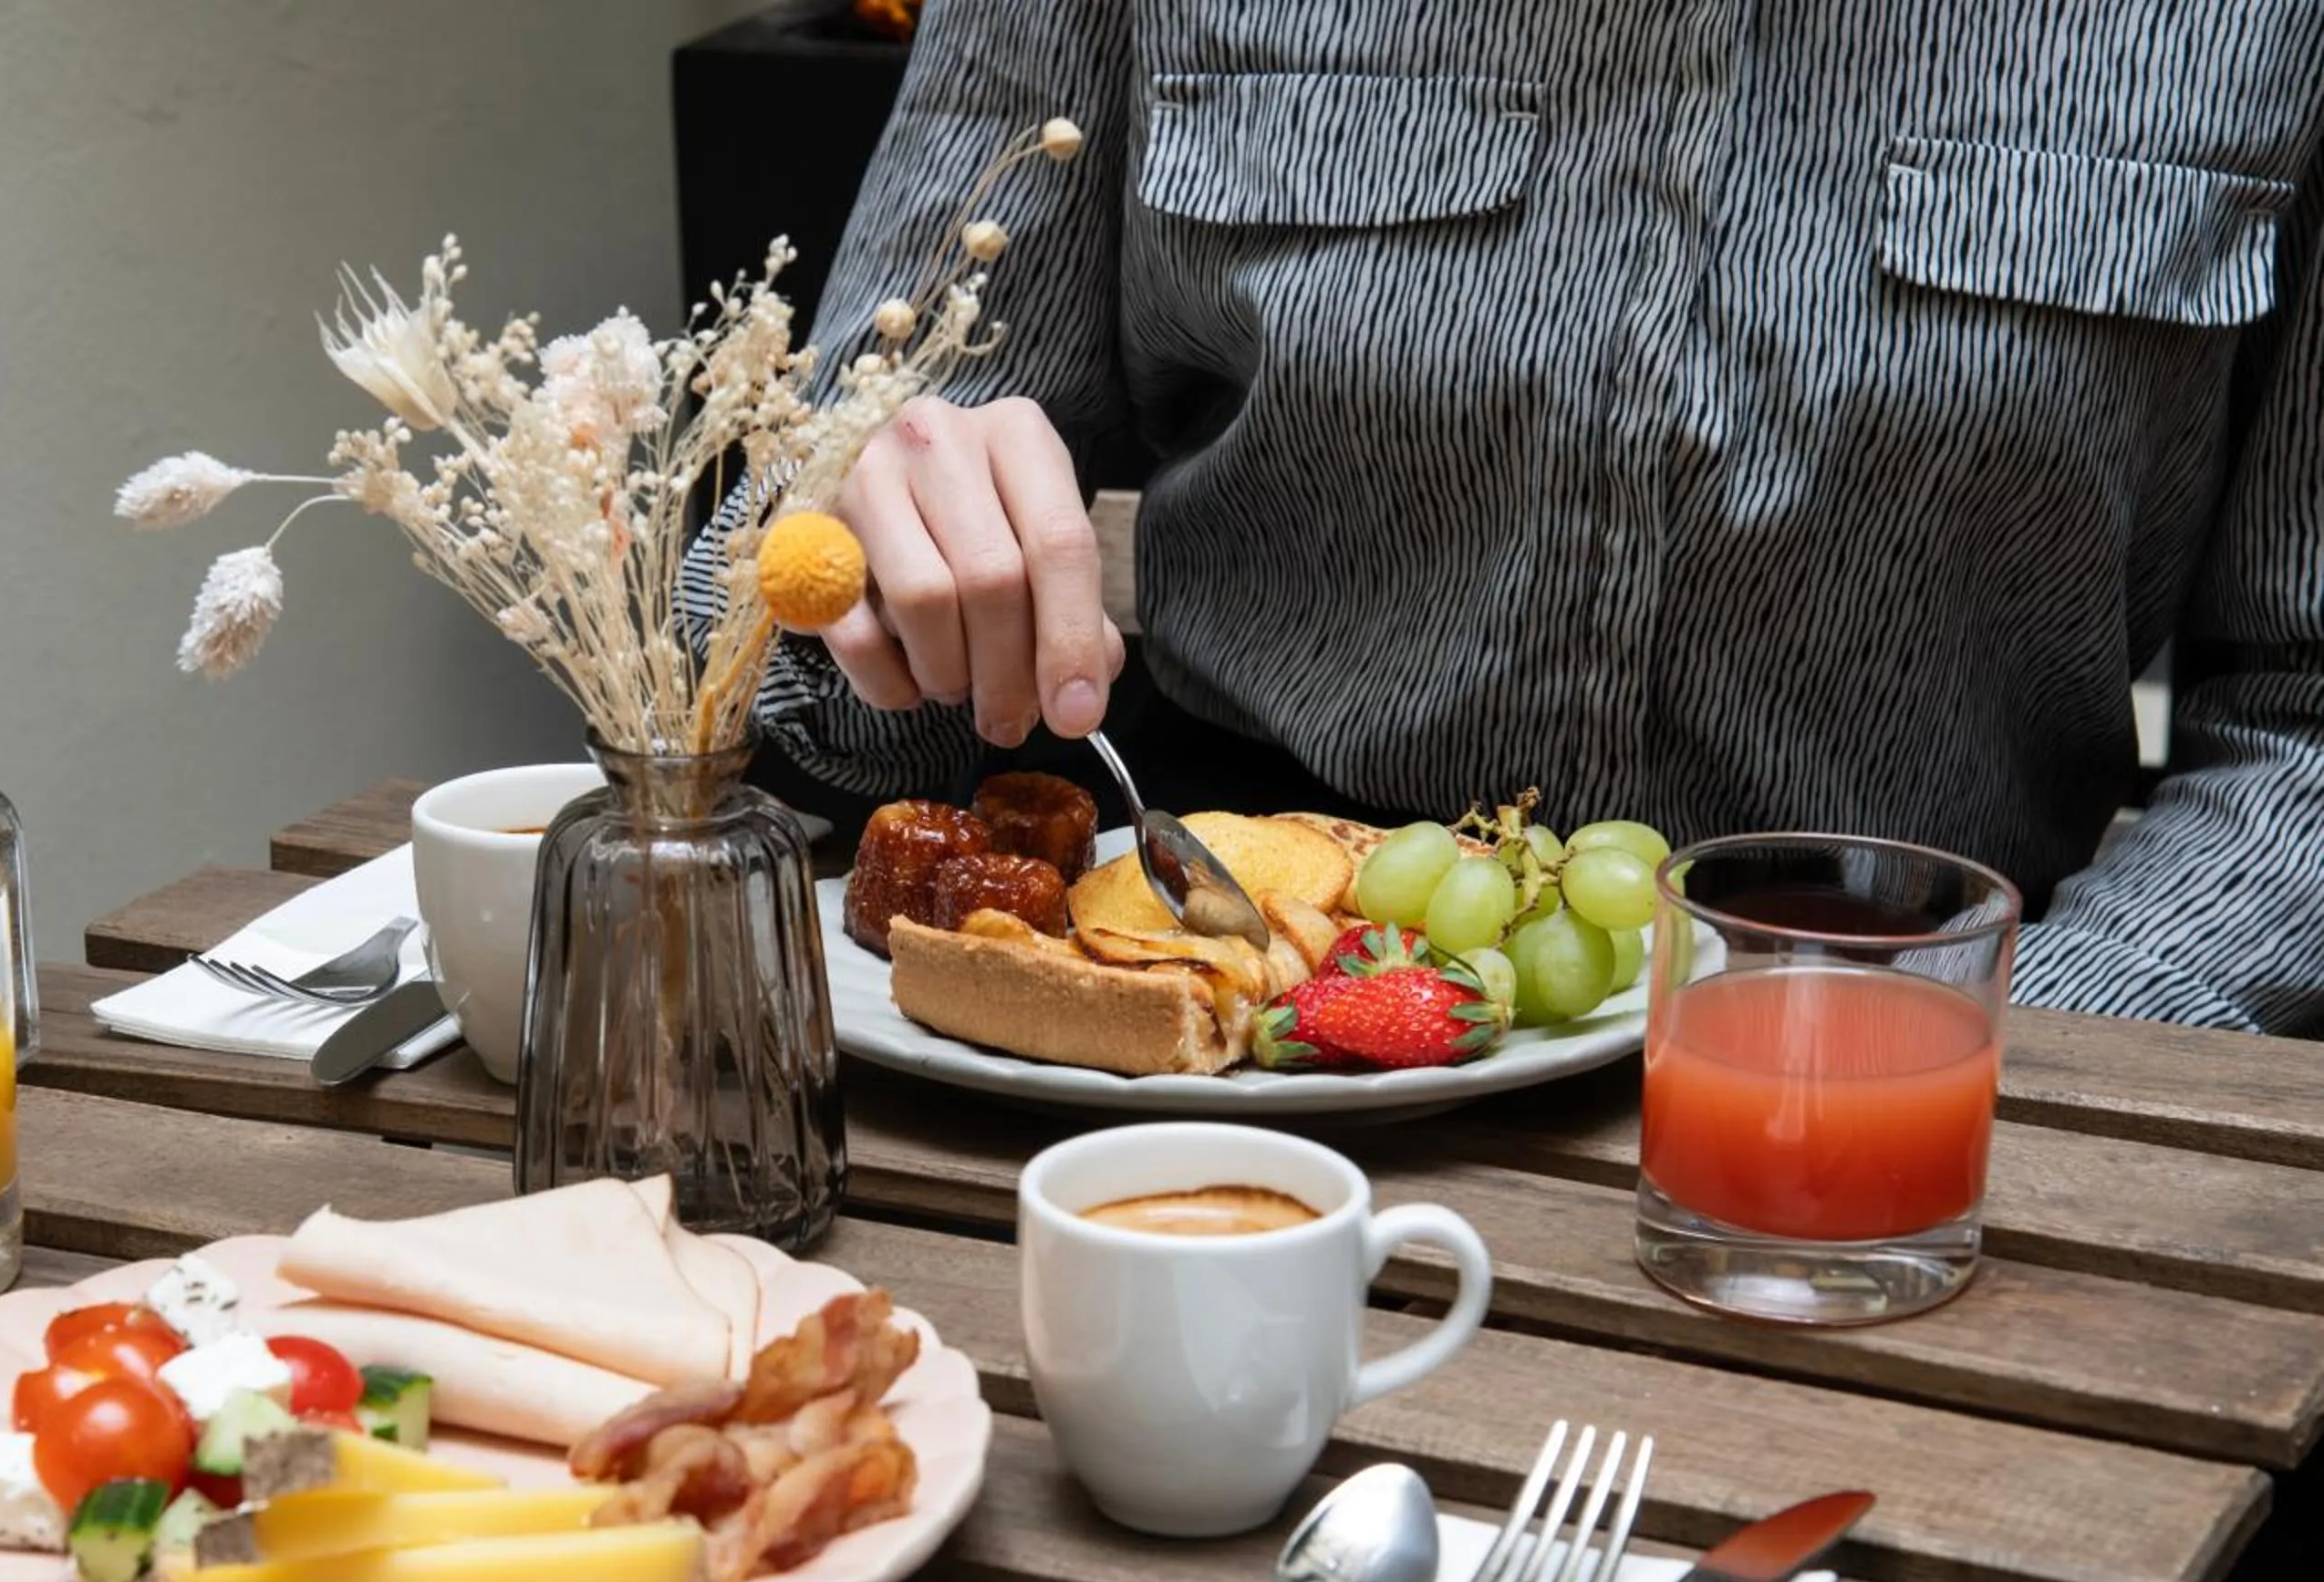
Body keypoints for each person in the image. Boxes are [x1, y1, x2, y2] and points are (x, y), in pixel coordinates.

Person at [690, 2, 2324, 1036]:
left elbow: (2305, 720)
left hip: (1912, 1088)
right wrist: (870, 577)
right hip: (1231, 1026)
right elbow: (768, 578)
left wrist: (2038, 1042)